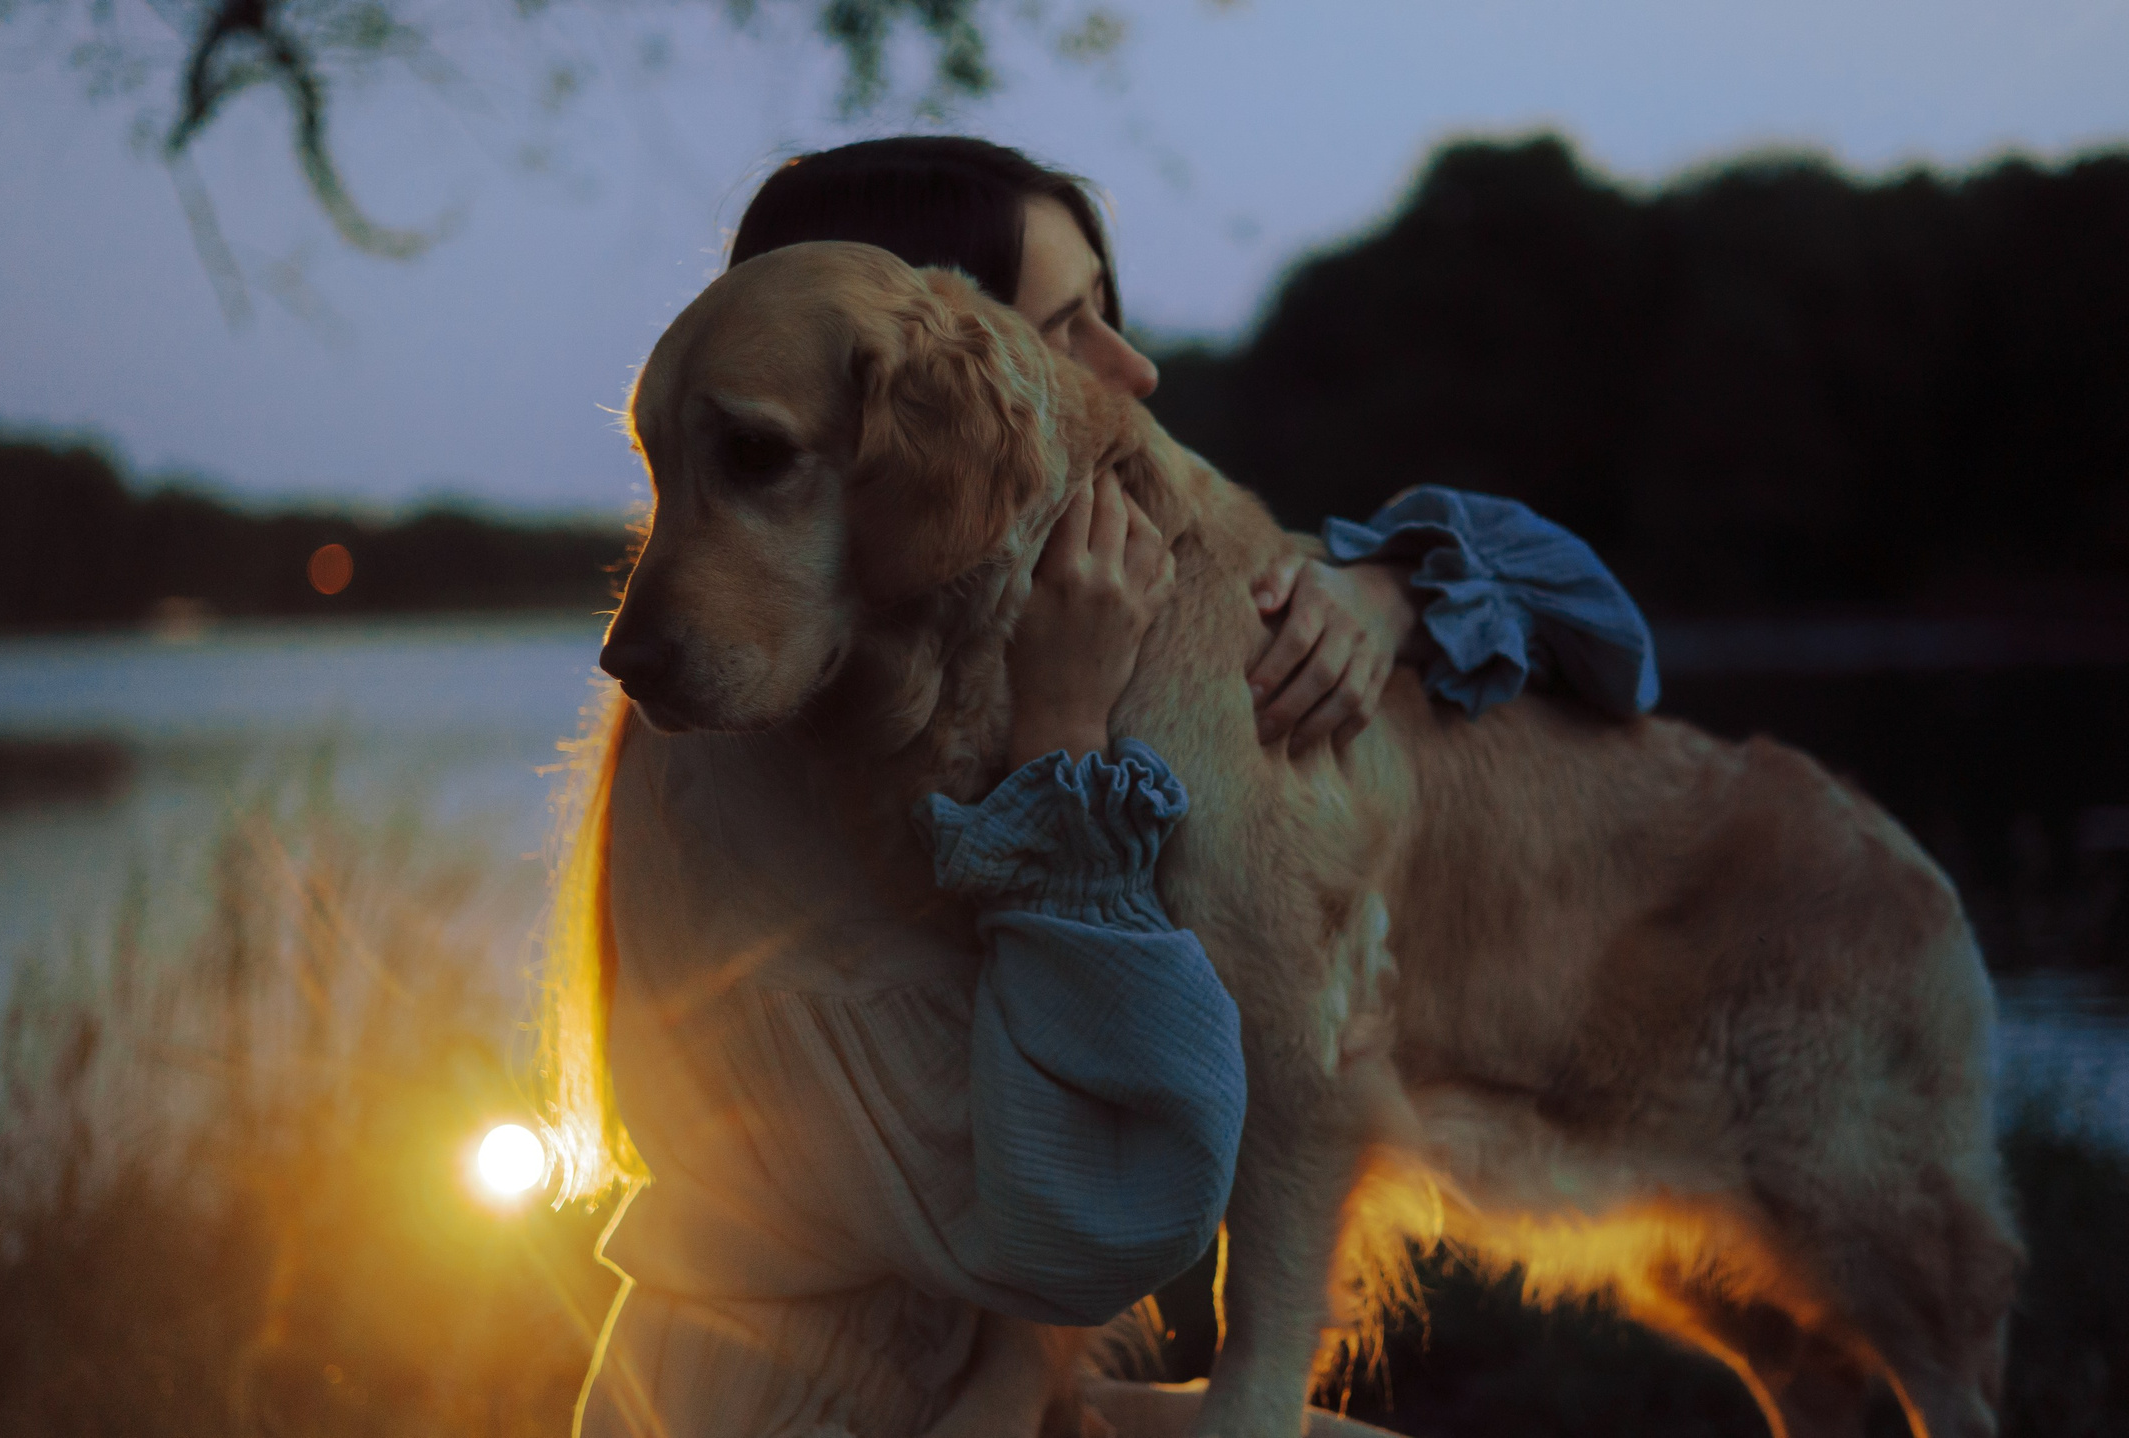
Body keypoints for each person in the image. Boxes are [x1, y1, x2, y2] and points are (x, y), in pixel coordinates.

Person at [564, 136, 1659, 1438]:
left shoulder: (956, 665)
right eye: (1068, 327)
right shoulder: (785, 761)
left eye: (1113, 313)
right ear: (932, 419)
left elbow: (1618, 643)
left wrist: (1396, 586)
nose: (1127, 375)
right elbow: (1095, 1220)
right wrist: (1064, 739)